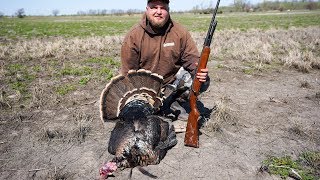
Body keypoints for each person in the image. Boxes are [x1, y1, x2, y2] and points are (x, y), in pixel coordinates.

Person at [120, 0, 210, 120]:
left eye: (163, 8)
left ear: (168, 10)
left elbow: (191, 59)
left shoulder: (180, 32)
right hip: (145, 89)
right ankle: (155, 107)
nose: (158, 12)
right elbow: (128, 72)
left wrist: (199, 71)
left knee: (201, 80)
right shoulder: (134, 35)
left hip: (171, 84)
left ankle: (174, 102)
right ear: (147, 9)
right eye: (154, 7)